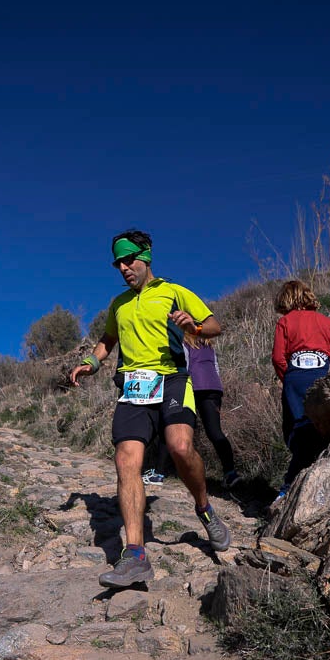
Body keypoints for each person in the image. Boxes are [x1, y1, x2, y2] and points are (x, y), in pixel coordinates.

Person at [69, 230, 231, 588]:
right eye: (119, 264)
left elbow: (215, 326)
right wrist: (90, 363)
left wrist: (195, 325)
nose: (124, 268)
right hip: (132, 386)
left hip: (172, 379)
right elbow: (107, 341)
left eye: (130, 260)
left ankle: (204, 507)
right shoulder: (119, 304)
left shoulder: (174, 291)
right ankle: (136, 555)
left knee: (180, 447)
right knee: (126, 460)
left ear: (146, 257)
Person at [271, 279, 330, 499]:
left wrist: (288, 379)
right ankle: (319, 484)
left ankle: (288, 488)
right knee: (316, 428)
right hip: (322, 377)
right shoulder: (324, 321)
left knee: (296, 430)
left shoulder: (285, 322)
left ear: (286, 299)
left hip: (295, 378)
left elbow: (278, 358)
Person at [184, 332, 241, 489]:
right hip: (214, 387)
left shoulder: (186, 344)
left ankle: (172, 471)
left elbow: (185, 365)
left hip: (193, 386)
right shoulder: (209, 346)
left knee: (182, 427)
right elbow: (216, 367)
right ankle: (230, 472)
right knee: (215, 432)